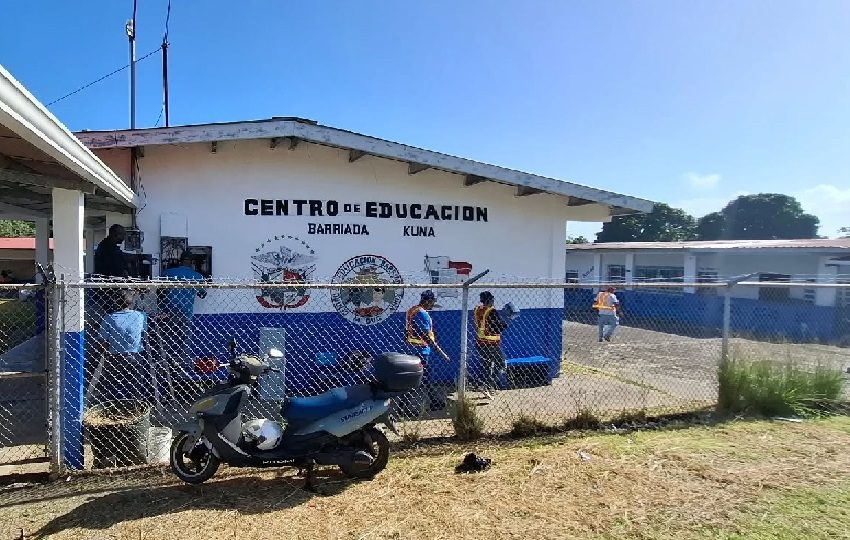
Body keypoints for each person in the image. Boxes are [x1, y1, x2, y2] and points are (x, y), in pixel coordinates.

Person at [94, 290, 149, 401]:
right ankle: (136, 404)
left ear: (116, 302)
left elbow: (102, 342)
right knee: (136, 386)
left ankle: (109, 403)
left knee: (109, 385)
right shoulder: (141, 316)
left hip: (115, 356)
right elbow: (143, 332)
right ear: (131, 302)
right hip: (135, 355)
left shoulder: (109, 318)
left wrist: (106, 354)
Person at [160, 253, 207, 373]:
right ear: (192, 263)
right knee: (184, 341)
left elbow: (160, 290)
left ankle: (165, 365)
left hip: (168, 312)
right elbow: (202, 294)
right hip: (186, 313)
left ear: (180, 261)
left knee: (167, 340)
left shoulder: (168, 273)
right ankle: (182, 368)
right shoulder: (197, 277)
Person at [405, 290, 450, 412]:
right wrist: (441, 352)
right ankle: (404, 406)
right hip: (421, 351)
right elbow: (427, 335)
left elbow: (406, 331)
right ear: (427, 301)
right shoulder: (423, 314)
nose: (432, 305)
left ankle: (432, 401)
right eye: (431, 302)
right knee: (422, 378)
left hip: (412, 348)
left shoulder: (412, 310)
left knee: (422, 378)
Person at [473, 291, 510, 397]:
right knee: (501, 364)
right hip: (491, 344)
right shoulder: (491, 311)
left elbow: (487, 324)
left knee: (487, 366)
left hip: (480, 343)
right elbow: (496, 328)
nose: (494, 301)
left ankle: (485, 387)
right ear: (490, 300)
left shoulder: (477, 309)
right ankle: (488, 385)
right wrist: (506, 323)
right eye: (492, 299)